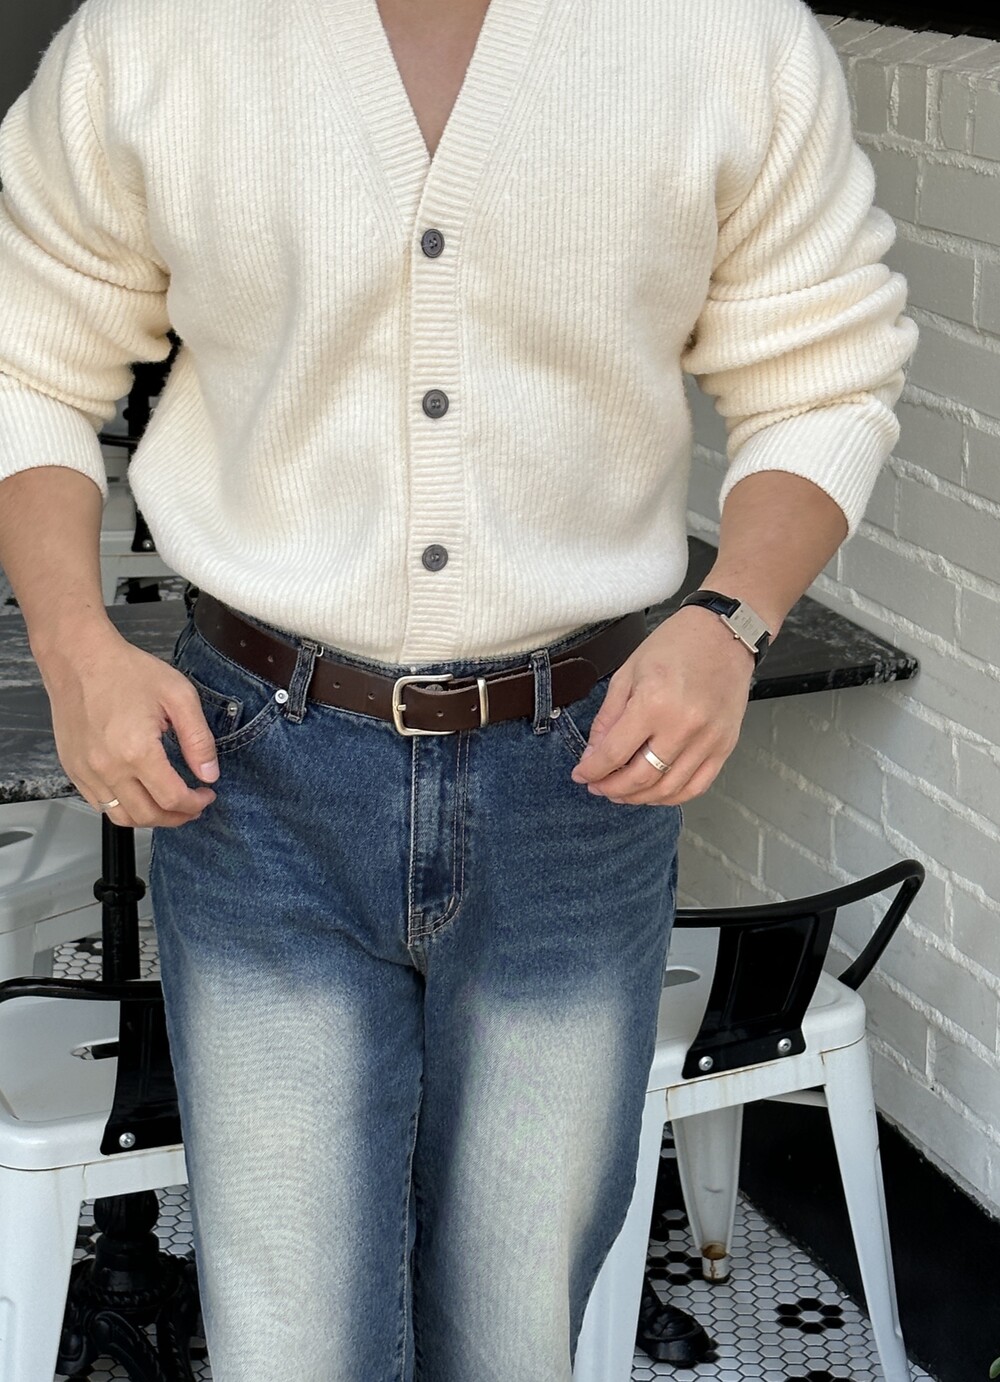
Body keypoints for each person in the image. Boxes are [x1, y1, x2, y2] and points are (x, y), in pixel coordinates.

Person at [0, 0, 916, 1377]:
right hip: (254, 768)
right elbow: (26, 350)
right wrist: (74, 642)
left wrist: (734, 616)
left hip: (579, 775)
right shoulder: (157, 34)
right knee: (291, 1332)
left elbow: (826, 363)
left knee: (515, 1314)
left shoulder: (724, 35)